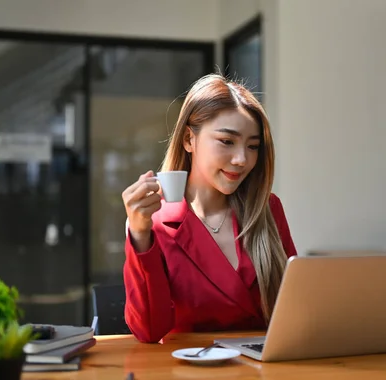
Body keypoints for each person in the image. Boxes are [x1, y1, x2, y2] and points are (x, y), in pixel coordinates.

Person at [121, 73, 297, 343]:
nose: (241, 159)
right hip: (187, 375)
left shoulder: (268, 209)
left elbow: (294, 311)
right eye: (227, 142)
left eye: (253, 146)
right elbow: (149, 330)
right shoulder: (153, 221)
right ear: (189, 140)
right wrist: (140, 233)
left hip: (263, 373)